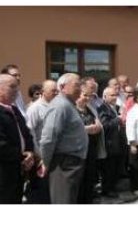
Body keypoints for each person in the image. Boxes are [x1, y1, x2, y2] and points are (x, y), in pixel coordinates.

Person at [39, 73, 88, 204]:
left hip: (70, 163)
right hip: (64, 165)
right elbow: (48, 138)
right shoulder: (60, 105)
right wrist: (46, 161)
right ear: (62, 86)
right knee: (63, 201)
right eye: (77, 85)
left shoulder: (68, 104)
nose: (81, 89)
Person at [0, 74, 35, 204]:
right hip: (4, 172)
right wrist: (23, 157)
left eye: (17, 87)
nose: (16, 90)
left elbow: (26, 134)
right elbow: (2, 145)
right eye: (12, 86)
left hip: (18, 170)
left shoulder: (14, 109)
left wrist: (30, 152)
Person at [25, 80, 58, 204]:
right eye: (52, 91)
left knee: (50, 189)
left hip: (53, 154)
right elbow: (30, 132)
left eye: (57, 91)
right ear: (43, 92)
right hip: (40, 156)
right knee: (40, 189)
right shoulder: (35, 108)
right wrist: (38, 155)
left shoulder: (55, 106)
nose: (56, 93)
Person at [76, 83, 105, 204]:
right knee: (80, 177)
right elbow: (72, 129)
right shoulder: (72, 109)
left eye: (89, 96)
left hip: (91, 147)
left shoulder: (90, 109)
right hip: (78, 148)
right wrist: (88, 129)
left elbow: (98, 125)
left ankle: (89, 199)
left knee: (90, 175)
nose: (87, 98)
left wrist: (95, 128)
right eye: (84, 95)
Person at [98, 87, 124, 198]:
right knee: (108, 169)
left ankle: (113, 186)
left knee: (115, 168)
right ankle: (107, 190)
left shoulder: (116, 107)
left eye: (116, 95)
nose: (115, 97)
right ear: (105, 97)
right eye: (112, 95)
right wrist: (118, 119)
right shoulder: (102, 108)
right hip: (109, 144)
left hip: (117, 142)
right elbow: (105, 125)